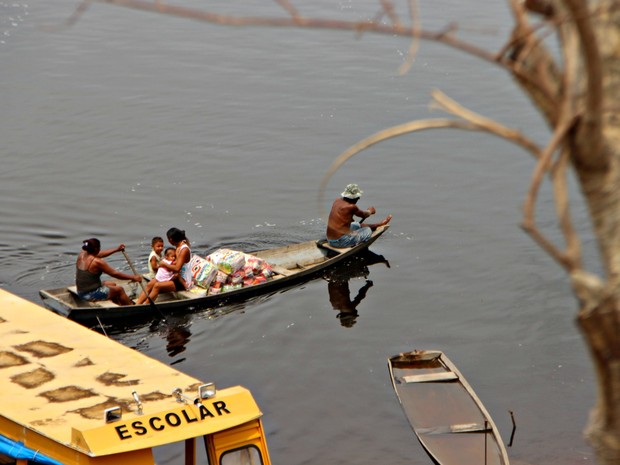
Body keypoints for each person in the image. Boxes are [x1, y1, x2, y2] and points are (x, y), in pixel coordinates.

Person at [75, 238, 142, 306]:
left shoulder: (83, 254)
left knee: (112, 284)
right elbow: (115, 274)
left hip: (81, 291)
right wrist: (133, 277)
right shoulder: (97, 262)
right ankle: (130, 306)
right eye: (99, 247)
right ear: (96, 249)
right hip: (89, 294)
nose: (100, 249)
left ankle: (118, 305)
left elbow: (101, 254)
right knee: (120, 290)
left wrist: (116, 249)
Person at [135, 228, 193, 304]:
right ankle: (137, 304)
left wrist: (164, 264)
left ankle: (146, 305)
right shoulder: (178, 246)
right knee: (150, 284)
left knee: (157, 286)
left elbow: (177, 268)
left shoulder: (184, 249)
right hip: (173, 276)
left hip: (181, 281)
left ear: (171, 239)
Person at [326, 183, 392, 248]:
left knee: (356, 224)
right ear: (355, 198)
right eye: (358, 197)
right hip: (340, 242)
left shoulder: (337, 200)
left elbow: (346, 218)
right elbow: (364, 215)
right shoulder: (352, 207)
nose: (359, 199)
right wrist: (370, 211)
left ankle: (377, 225)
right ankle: (353, 243)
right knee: (368, 230)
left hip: (329, 239)